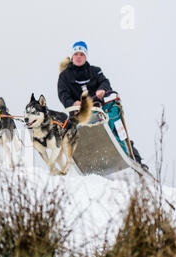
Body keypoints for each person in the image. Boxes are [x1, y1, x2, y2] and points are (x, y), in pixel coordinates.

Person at [57, 41, 148, 170]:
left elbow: (105, 82)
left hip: (99, 111)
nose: (78, 57)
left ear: (85, 56)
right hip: (79, 116)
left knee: (116, 121)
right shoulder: (64, 76)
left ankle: (134, 157)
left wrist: (102, 90)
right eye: (76, 54)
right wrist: (72, 103)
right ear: (72, 56)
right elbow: (63, 94)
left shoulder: (95, 71)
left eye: (81, 54)